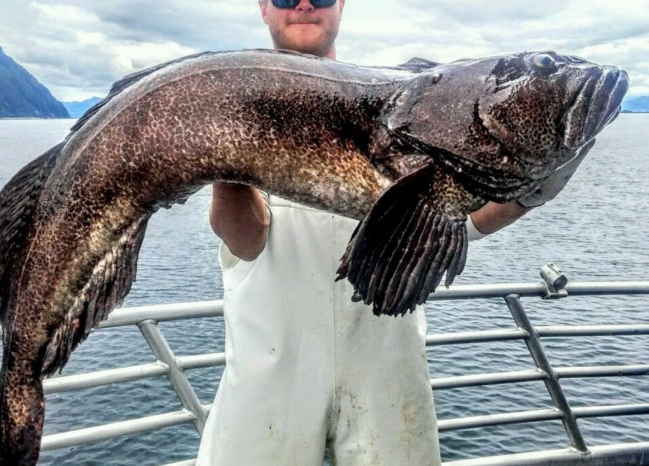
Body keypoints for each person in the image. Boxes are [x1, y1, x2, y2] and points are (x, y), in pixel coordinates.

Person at [198, 0, 590, 464]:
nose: (303, 4)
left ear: (341, 4)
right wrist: (223, 157)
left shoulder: (412, 102)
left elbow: (463, 217)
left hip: (385, 359)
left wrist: (536, 180)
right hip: (269, 361)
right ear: (264, 7)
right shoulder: (240, 100)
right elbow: (247, 240)